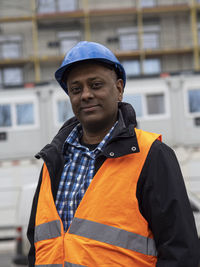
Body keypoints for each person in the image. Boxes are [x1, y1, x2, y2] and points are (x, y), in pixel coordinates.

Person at [27, 41, 199, 267]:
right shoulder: (53, 160)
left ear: (119, 89)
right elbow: (37, 247)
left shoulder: (151, 154)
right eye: (76, 89)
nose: (86, 95)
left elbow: (181, 252)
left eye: (96, 85)